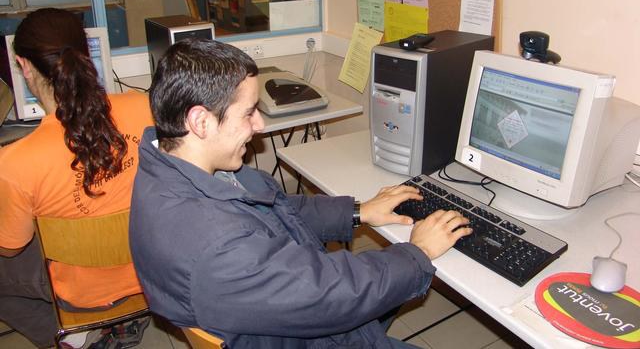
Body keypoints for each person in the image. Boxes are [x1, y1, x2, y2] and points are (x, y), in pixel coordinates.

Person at [129, 38, 472, 348]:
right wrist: (417, 252)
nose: (260, 124)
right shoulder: (215, 246)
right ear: (200, 121)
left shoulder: (174, 168)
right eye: (249, 112)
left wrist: (357, 212)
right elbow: (330, 294)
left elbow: (276, 209)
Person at [0, 8, 153, 348]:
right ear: (85, 55)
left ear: (24, 66)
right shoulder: (143, 108)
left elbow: (10, 249)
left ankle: (68, 339)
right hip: (152, 269)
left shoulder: (16, 162)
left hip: (82, 294)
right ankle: (122, 323)